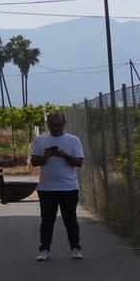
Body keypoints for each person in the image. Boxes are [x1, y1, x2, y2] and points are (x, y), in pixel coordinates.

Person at [28, 111, 85, 261]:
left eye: (59, 125)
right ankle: (44, 250)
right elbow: (34, 162)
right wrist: (46, 157)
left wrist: (64, 155)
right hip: (46, 188)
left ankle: (75, 248)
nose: (56, 128)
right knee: (47, 221)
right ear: (48, 124)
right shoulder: (40, 140)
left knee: (70, 220)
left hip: (69, 188)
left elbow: (79, 163)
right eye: (53, 125)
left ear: (64, 124)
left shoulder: (73, 140)